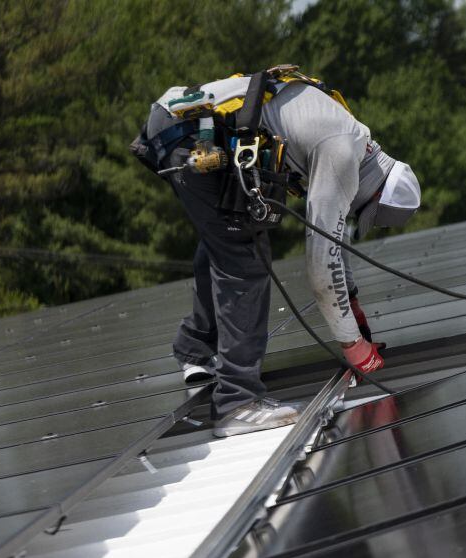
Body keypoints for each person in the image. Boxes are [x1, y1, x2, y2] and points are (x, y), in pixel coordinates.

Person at [138, 72, 421, 437]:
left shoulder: (351, 137)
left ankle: (196, 350)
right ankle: (237, 403)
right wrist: (353, 344)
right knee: (245, 257)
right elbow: (322, 265)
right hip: (191, 135)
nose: (356, 211)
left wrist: (351, 302)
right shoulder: (342, 152)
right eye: (364, 211)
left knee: (227, 236)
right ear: (377, 193)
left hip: (178, 121)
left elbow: (333, 236)